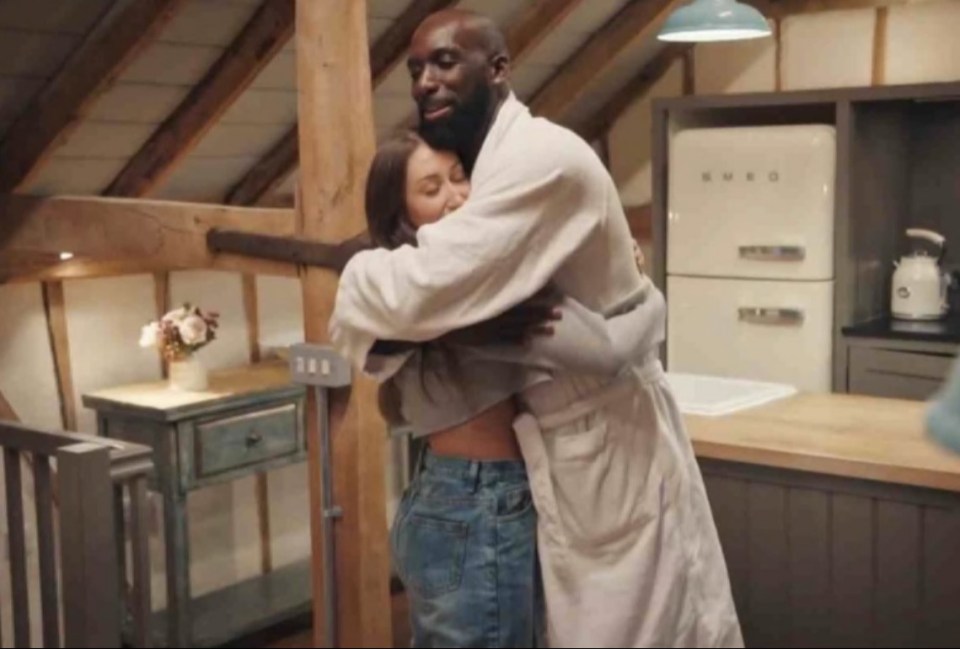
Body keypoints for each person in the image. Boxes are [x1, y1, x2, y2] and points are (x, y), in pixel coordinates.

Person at [331, 9, 743, 648]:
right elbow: (426, 301)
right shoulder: (492, 177)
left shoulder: (538, 160)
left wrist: (359, 276)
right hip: (487, 481)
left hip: (603, 449)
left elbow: (422, 288)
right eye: (414, 70)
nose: (424, 82)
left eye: (444, 61)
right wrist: (638, 319)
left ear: (498, 70)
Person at [365, 130, 664, 647]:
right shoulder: (453, 290)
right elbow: (611, 353)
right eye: (432, 188)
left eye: (460, 177)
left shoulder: (435, 282)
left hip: (462, 494)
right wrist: (652, 297)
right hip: (477, 500)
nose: (457, 196)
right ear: (402, 213)